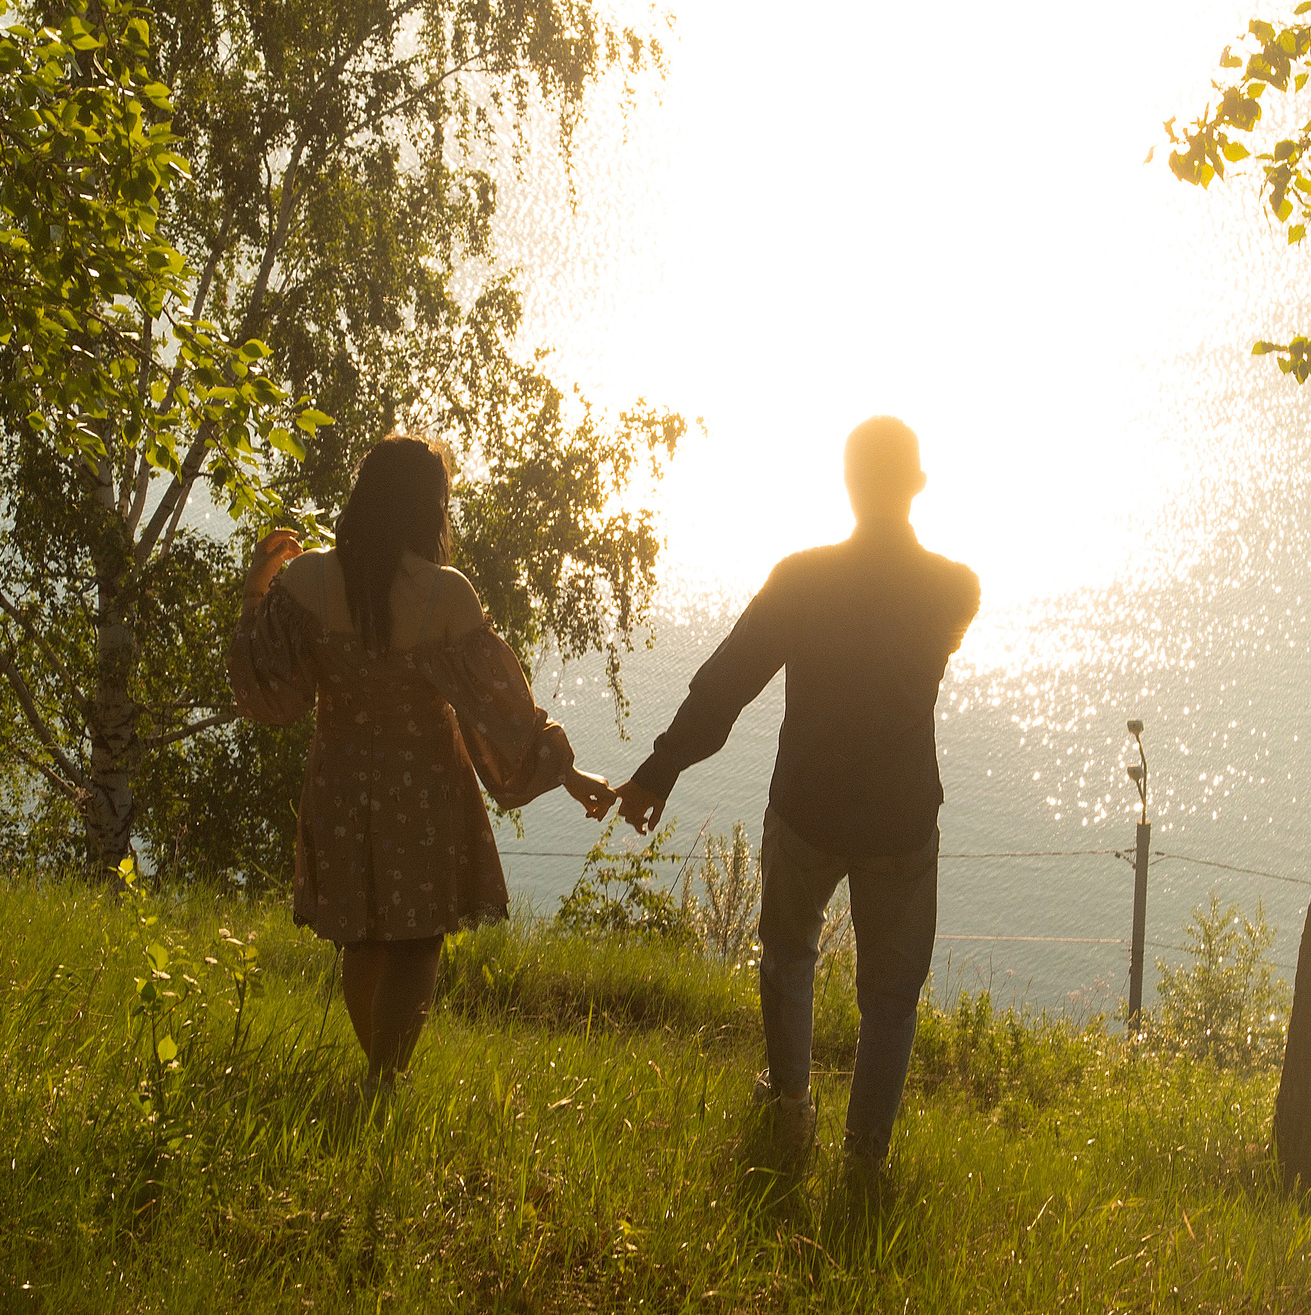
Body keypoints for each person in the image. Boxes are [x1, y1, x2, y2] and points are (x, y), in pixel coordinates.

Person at [613, 416, 979, 1181]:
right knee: (890, 993)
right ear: (916, 483)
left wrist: (660, 769)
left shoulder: (802, 579)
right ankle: (864, 1159)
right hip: (900, 816)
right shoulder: (955, 587)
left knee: (787, 958)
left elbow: (727, 683)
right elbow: (939, 640)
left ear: (846, 484)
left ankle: (788, 1111)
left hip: (808, 804)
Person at [228, 434, 615, 1091]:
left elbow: (269, 690)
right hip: (425, 790)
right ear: (428, 508)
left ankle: (378, 1072)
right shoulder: (445, 593)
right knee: (418, 939)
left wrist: (256, 589)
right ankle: (386, 1073)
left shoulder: (308, 579)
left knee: (364, 939)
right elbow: (503, 712)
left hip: (342, 783)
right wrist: (569, 771)